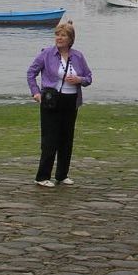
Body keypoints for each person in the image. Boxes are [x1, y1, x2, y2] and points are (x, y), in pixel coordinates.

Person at [27, 21, 92, 187]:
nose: (59, 38)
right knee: (50, 139)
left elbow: (89, 77)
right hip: (51, 101)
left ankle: (62, 174)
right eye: (57, 35)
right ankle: (42, 176)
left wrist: (79, 80)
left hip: (71, 101)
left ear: (70, 39)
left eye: (63, 35)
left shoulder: (77, 56)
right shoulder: (46, 54)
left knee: (66, 139)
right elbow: (31, 73)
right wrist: (36, 92)